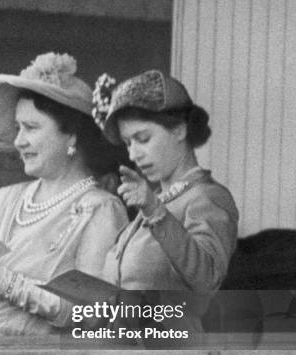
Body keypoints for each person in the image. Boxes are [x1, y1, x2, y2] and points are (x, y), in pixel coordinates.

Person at [0, 52, 129, 335]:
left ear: (72, 135)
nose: (18, 141)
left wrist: (11, 286)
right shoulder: (2, 199)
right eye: (17, 128)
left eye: (31, 128)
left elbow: (96, 316)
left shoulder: (100, 209)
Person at [92, 70, 239, 336]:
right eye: (128, 143)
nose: (134, 154)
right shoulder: (156, 200)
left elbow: (207, 278)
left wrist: (154, 210)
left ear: (179, 130)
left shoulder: (207, 198)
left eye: (143, 139)